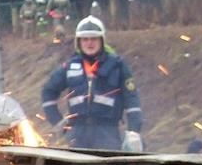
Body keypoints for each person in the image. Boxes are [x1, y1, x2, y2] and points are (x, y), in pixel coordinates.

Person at [41, 16, 143, 151]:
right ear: (79, 42)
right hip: (76, 134)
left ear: (102, 40)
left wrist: (134, 132)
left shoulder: (117, 66)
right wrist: (58, 123)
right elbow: (48, 91)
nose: (89, 43)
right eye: (85, 39)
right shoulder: (70, 66)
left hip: (107, 133)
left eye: (94, 38)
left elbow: (132, 100)